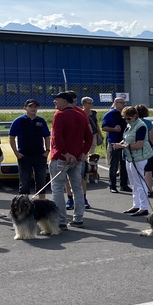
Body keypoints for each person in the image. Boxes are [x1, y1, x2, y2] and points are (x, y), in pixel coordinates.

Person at [49, 91, 92, 229]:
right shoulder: (80, 115)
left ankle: (61, 221)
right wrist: (83, 152)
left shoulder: (59, 115)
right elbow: (89, 136)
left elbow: (56, 137)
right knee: (77, 188)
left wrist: (65, 153)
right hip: (77, 158)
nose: (55, 102)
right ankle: (78, 218)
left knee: (57, 188)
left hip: (61, 158)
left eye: (57, 99)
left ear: (65, 101)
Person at [114, 105, 153, 216]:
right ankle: (136, 205)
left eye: (129, 118)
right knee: (133, 183)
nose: (127, 120)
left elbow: (139, 145)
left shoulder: (141, 126)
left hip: (140, 158)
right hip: (130, 157)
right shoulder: (129, 125)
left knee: (140, 183)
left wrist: (122, 146)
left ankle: (144, 207)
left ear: (135, 116)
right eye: (125, 118)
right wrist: (121, 143)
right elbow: (126, 139)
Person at [8, 99, 50, 199]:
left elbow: (47, 136)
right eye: (31, 107)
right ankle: (24, 203)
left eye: (35, 107)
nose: (33, 109)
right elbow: (12, 137)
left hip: (39, 154)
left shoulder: (40, 121)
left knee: (41, 180)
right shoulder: (19, 121)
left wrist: (47, 150)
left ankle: (41, 202)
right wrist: (16, 152)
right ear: (25, 108)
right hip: (24, 154)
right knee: (24, 180)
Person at [102, 97, 130, 194]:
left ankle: (124, 184)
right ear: (116, 103)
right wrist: (114, 129)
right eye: (121, 102)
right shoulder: (110, 114)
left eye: (124, 102)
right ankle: (112, 185)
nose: (124, 104)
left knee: (124, 164)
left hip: (124, 142)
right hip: (114, 142)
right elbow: (104, 128)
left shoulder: (125, 114)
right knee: (114, 165)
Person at [136, 104, 153, 197]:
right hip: (146, 148)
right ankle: (149, 189)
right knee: (148, 170)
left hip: (136, 148)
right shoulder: (148, 123)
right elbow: (151, 137)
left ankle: (139, 189)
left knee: (137, 170)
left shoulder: (134, 122)